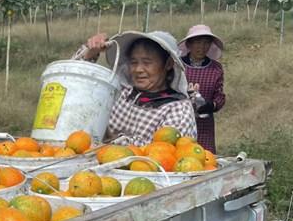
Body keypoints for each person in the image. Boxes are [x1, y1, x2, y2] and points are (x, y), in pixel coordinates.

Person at [79, 30, 197, 146]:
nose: (138, 70)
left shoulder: (177, 110)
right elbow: (74, 88)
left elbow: (164, 153)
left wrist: (111, 138)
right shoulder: (122, 92)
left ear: (168, 64)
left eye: (147, 63)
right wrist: (91, 53)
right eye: (134, 62)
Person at [178, 24, 226, 153]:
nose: (202, 47)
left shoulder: (215, 68)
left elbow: (219, 95)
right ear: (189, 44)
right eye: (198, 43)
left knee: (205, 157)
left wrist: (212, 106)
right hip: (178, 120)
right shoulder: (177, 66)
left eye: (206, 43)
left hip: (204, 124)